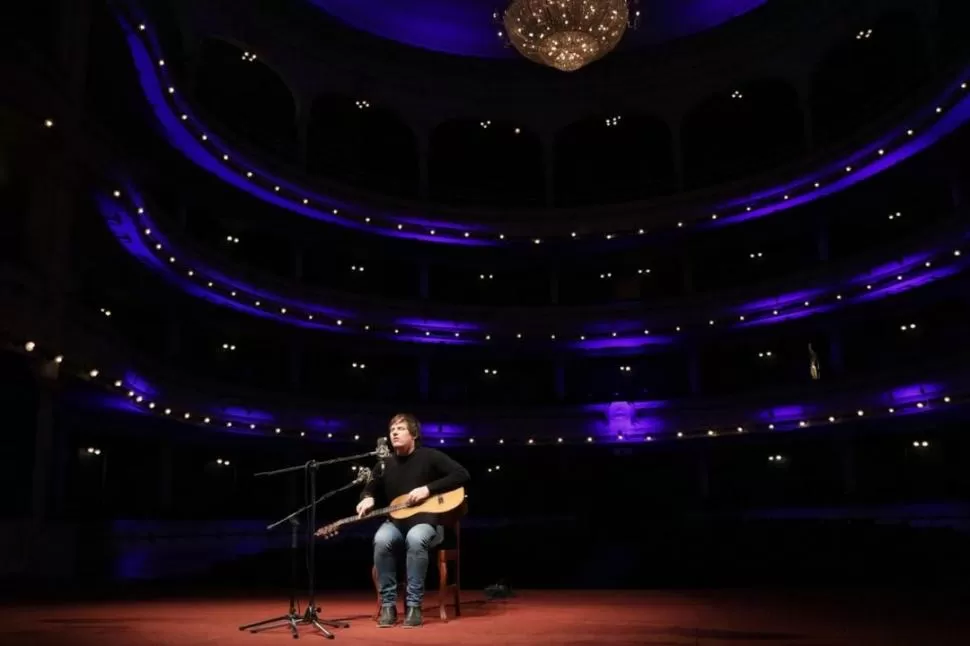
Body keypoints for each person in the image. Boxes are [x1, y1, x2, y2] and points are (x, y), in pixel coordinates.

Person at [358, 413, 470, 628]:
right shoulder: (384, 464)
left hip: (427, 522)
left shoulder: (430, 456)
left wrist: (428, 489)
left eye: (400, 429)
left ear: (414, 434)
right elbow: (368, 489)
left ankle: (414, 606)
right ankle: (389, 606)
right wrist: (367, 498)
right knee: (381, 539)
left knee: (416, 538)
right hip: (396, 523)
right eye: (392, 430)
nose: (394, 433)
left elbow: (462, 474)